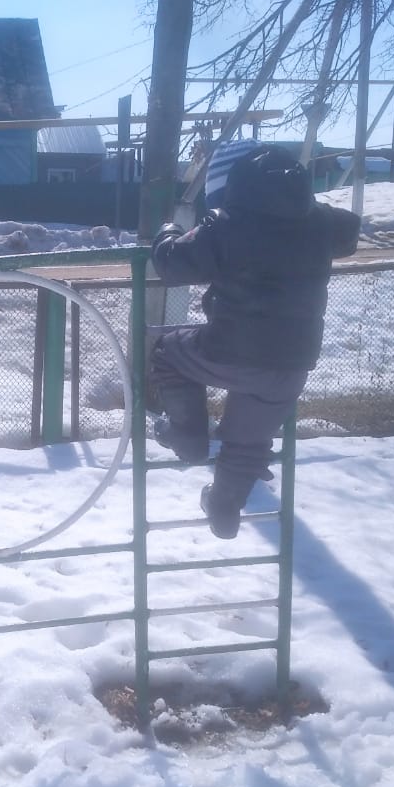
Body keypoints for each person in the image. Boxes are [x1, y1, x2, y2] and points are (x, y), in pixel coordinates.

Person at [150, 144, 361, 538]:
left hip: (231, 350)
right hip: (292, 364)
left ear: (228, 187)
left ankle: (189, 436)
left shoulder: (227, 225)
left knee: (168, 352)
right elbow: (349, 231)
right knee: (248, 441)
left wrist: (167, 232)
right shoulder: (319, 222)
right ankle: (224, 505)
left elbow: (173, 263)